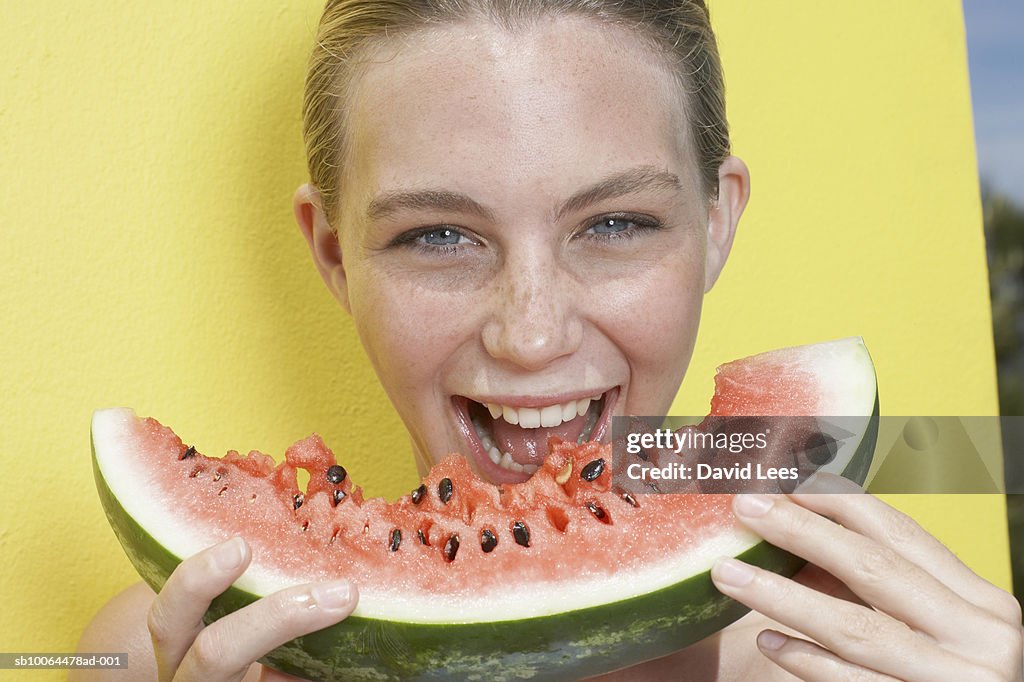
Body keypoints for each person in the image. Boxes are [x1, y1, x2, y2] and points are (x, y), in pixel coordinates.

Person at [75, 1, 1023, 680]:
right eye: (437, 236)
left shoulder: (880, 660)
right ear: (334, 253)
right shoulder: (161, 654)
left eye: (615, 224)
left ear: (717, 222)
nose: (531, 336)